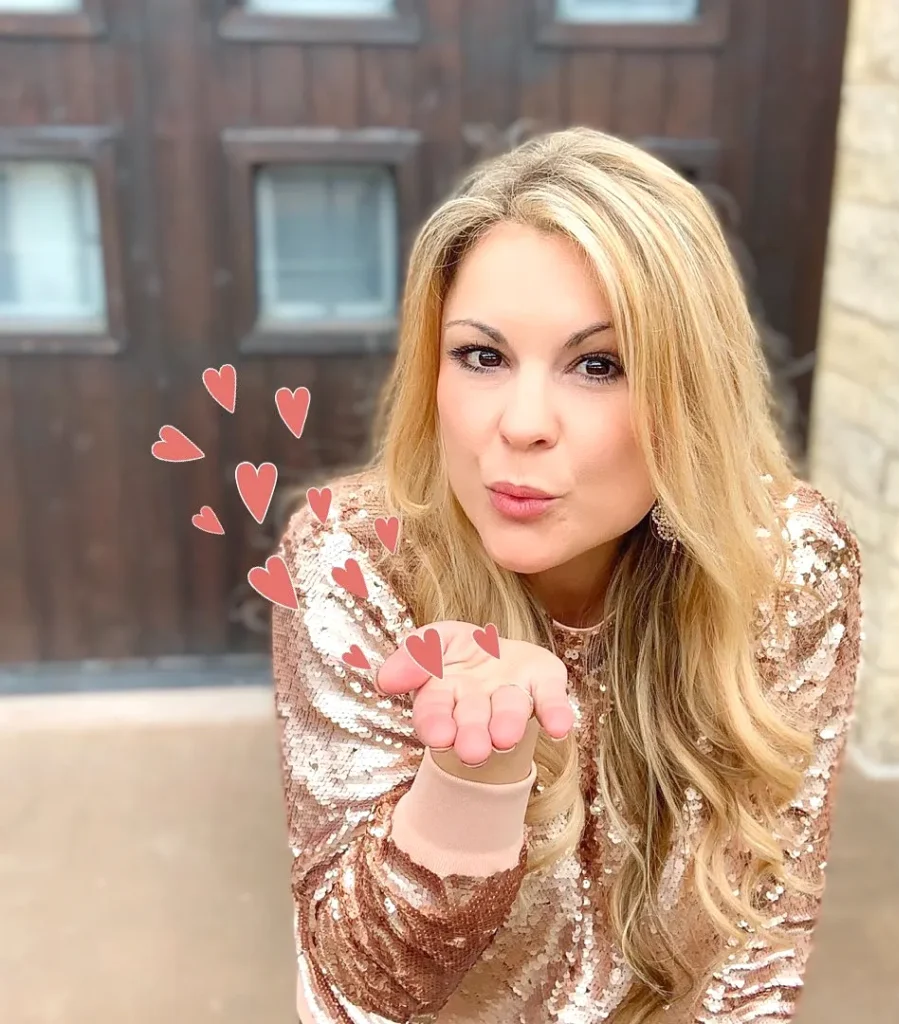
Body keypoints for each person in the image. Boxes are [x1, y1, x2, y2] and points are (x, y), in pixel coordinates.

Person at [271, 126, 863, 1024]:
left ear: (691, 391)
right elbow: (361, 986)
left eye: (599, 365)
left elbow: (763, 937)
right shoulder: (354, 559)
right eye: (482, 356)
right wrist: (471, 777)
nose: (522, 424)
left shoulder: (789, 566)